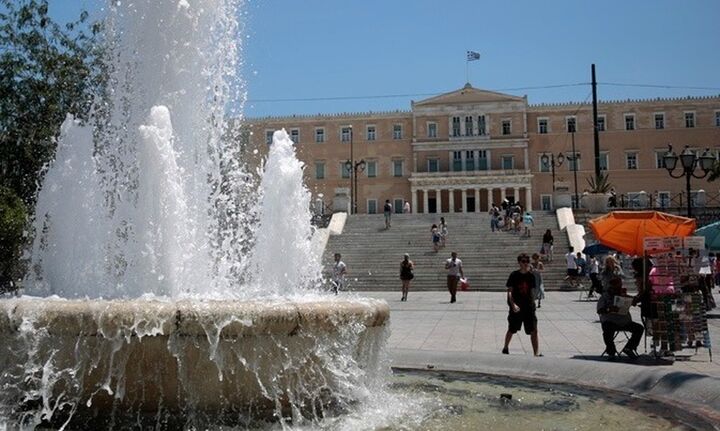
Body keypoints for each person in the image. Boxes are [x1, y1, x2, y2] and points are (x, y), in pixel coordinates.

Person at [502, 253, 541, 356]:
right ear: (519, 262)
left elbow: (533, 290)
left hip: (528, 307)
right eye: (523, 261)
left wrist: (533, 303)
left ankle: (536, 353)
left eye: (527, 261)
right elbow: (510, 291)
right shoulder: (514, 275)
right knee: (512, 329)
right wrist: (513, 304)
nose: (525, 263)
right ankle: (505, 347)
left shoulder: (531, 276)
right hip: (517, 307)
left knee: (534, 330)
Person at [596, 277, 644, 360]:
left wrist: (630, 299)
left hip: (625, 321)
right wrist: (609, 309)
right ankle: (611, 352)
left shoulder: (623, 294)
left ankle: (629, 348)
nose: (617, 289)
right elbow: (599, 310)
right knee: (607, 331)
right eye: (615, 288)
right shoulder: (605, 296)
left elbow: (634, 302)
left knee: (639, 328)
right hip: (610, 321)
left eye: (619, 286)